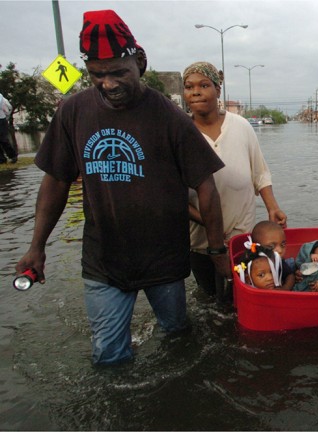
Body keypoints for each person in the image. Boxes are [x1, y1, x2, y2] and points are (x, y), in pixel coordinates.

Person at [14, 10, 229, 366]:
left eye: (118, 72)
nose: (108, 84)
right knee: (109, 356)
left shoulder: (169, 117)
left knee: (177, 340)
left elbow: (206, 186)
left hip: (164, 258)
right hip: (104, 259)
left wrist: (218, 251)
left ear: (139, 62)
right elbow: (55, 181)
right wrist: (37, 246)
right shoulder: (72, 112)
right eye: (98, 75)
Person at [182, 61, 287, 301]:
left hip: (242, 238)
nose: (196, 91)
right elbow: (175, 197)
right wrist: (211, 225)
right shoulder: (181, 133)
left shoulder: (240, 126)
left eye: (204, 85)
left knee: (242, 298)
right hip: (200, 242)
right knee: (210, 299)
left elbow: (259, 172)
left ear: (218, 90)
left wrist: (273, 207)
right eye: (189, 87)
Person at [250, 220, 294, 291]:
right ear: (257, 247)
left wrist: (285, 288)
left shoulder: (279, 261)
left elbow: (290, 276)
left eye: (282, 245)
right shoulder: (251, 263)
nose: (280, 250)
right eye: (271, 246)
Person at [0, 92, 17, 164]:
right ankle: (1, 159)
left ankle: (12, 156)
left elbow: (9, 107)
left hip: (1, 119)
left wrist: (6, 116)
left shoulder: (1, 98)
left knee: (3, 139)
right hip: (2, 118)